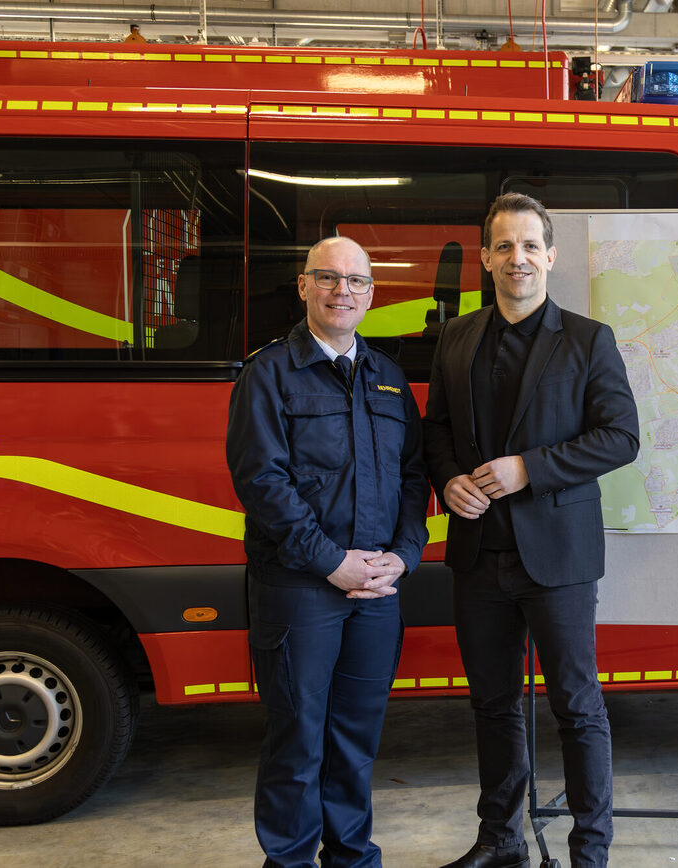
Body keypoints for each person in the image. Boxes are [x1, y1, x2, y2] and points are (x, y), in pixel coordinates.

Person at [423, 193, 639, 868]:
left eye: (529, 245)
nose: (517, 257)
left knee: (576, 706)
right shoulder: (456, 337)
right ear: (486, 258)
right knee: (492, 704)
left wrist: (529, 469)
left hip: (558, 557)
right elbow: (436, 431)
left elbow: (622, 436)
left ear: (550, 256)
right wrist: (448, 480)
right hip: (477, 554)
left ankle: (590, 854)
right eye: (504, 246)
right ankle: (500, 840)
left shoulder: (588, 339)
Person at [226, 236, 430, 868]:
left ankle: (352, 857)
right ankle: (289, 860)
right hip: (301, 587)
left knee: (356, 741)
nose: (344, 291)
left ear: (371, 294)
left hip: (376, 590)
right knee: (297, 740)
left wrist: (404, 555)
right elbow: (262, 483)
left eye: (357, 281)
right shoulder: (268, 373)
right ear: (304, 286)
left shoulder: (388, 378)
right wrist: (332, 562)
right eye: (329, 277)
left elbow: (413, 476)